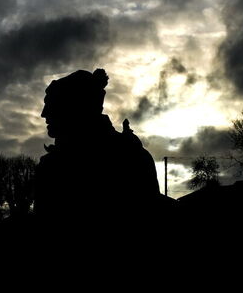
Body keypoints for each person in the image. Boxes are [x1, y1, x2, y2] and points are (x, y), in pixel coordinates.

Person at [34, 69, 162, 224]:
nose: (43, 113)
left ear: (75, 107)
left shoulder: (54, 166)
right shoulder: (135, 155)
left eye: (52, 104)